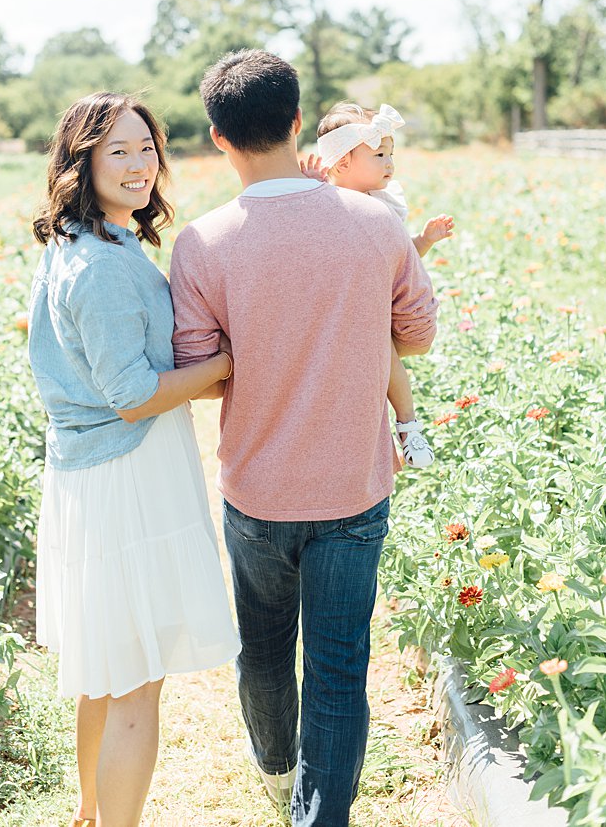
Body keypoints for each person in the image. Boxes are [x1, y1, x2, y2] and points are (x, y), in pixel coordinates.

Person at [168, 50, 438, 825]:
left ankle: (275, 761)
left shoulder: (202, 243)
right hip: (354, 484)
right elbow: (415, 337)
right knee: (339, 666)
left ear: (218, 139)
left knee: (262, 646)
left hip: (256, 487)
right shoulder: (373, 223)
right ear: (297, 122)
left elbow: (201, 369)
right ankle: (321, 813)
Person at [27, 92, 239, 827]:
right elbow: (131, 394)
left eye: (146, 147)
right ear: (81, 161)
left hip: (100, 471)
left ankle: (89, 812)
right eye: (118, 150)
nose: (139, 164)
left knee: (106, 668)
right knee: (137, 683)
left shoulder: (93, 241)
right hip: (126, 474)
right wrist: (224, 366)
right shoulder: (102, 265)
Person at [300, 101, 454, 469]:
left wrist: (425, 240)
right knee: (353, 387)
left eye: (390, 153)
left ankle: (408, 426)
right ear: (341, 163)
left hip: (375, 310)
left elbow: (402, 262)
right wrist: (308, 189)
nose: (389, 163)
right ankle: (383, 443)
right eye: (379, 153)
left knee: (384, 364)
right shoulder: (322, 198)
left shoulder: (385, 205)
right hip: (337, 310)